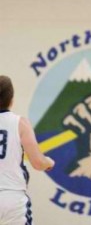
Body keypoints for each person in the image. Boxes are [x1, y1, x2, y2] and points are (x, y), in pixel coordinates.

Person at [0, 75, 55, 225]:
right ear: (11, 100)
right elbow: (37, 162)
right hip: (12, 198)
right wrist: (48, 162)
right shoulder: (20, 123)